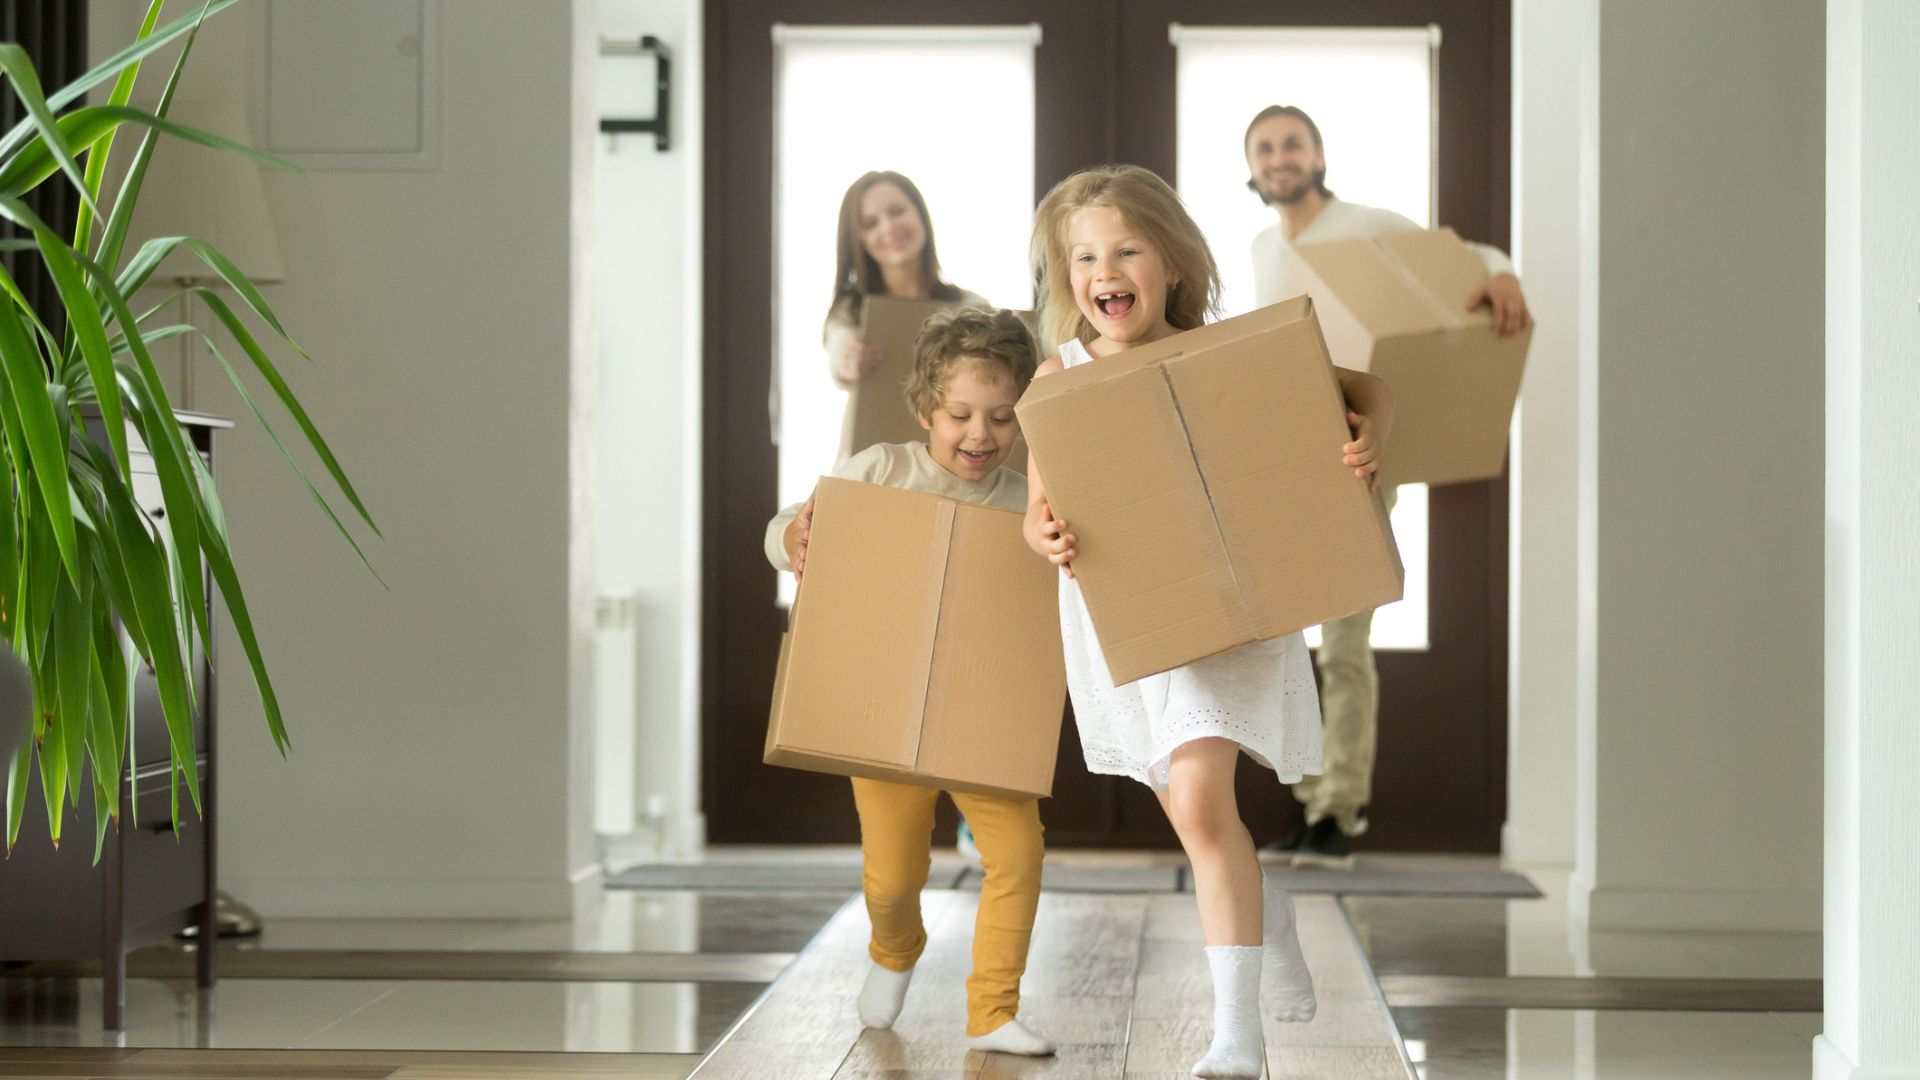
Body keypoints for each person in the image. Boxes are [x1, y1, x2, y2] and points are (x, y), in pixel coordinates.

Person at [1023, 164, 1394, 1078]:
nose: (1103, 271)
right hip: (1129, 617)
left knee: (1198, 800)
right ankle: (1273, 914)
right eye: (1083, 257)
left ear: (1173, 266)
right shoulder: (1057, 377)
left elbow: (1347, 420)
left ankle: (1237, 1038)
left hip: (1229, 613)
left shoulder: (1225, 358)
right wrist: (1047, 533)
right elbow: (1040, 511)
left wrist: (1361, 446)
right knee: (1193, 811)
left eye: (1126, 250)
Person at [1243, 104, 1532, 865]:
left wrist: (1500, 275)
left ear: (1318, 154)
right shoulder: (1262, 248)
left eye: (1293, 144)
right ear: (1251, 166)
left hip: (1356, 451)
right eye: (1266, 148)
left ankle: (1342, 810)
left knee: (1343, 640)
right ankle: (1310, 804)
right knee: (1285, 644)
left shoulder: (1366, 224)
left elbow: (1470, 253)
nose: (1281, 158)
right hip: (1287, 458)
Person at [766, 307, 1054, 1057]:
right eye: (959, 414)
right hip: (883, 707)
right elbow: (792, 525)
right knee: (893, 878)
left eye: (1001, 416)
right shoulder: (880, 471)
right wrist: (794, 536)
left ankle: (993, 1008)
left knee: (1018, 854)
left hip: (985, 712)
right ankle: (894, 949)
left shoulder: (1027, 501)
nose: (979, 434)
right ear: (926, 407)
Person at [823, 171, 989, 461]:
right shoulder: (850, 311)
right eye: (871, 223)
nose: (889, 227)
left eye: (897, 211)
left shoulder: (972, 307)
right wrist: (848, 363)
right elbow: (840, 353)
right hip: (872, 466)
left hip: (957, 465)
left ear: (920, 215)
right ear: (858, 240)